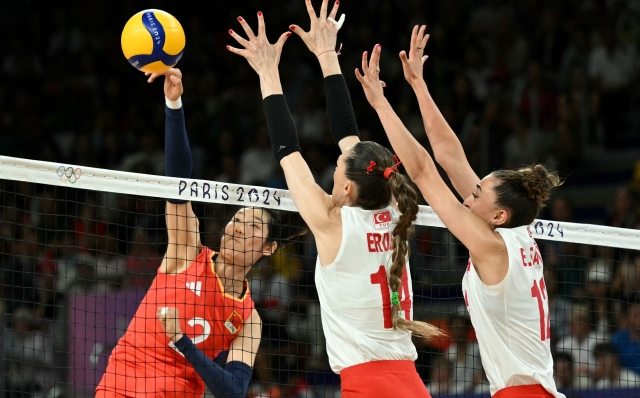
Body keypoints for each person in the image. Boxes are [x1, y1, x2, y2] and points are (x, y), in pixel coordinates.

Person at [227, 2, 441, 397]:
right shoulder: (393, 205)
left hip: (368, 386)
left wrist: (267, 69)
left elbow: (287, 149)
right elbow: (346, 132)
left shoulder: (333, 223)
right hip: (410, 383)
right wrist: (326, 54)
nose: (335, 165)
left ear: (346, 188)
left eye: (339, 166)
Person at [355, 26, 564, 398]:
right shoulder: (516, 230)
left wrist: (379, 104)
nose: (468, 198)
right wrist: (418, 83)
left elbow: (421, 171)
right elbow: (450, 157)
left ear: (497, 215)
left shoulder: (492, 246)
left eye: (478, 193)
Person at [96, 68, 284, 398]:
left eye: (253, 226)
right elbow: (178, 182)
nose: (238, 228)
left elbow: (233, 392)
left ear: (268, 248)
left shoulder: (248, 319)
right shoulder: (187, 252)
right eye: (237, 219)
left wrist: (182, 341)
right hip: (119, 386)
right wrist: (174, 104)